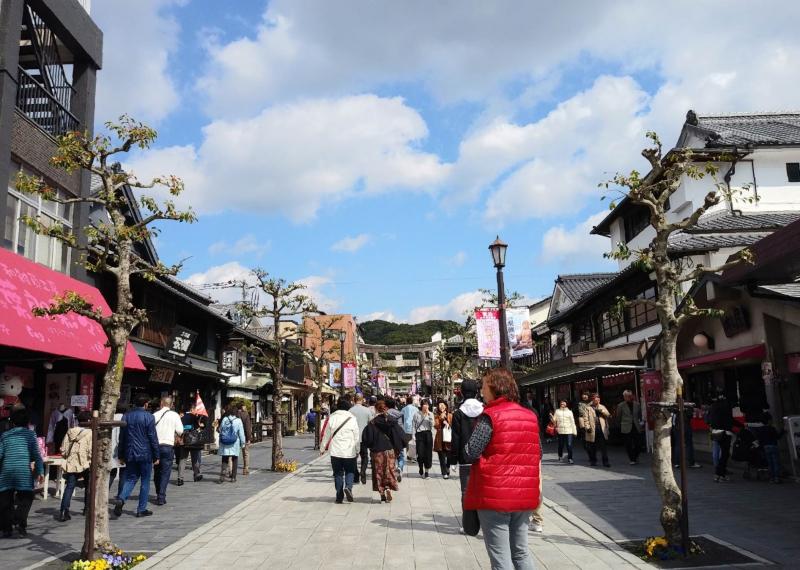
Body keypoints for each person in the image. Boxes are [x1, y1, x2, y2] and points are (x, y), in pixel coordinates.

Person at [464, 369, 541, 570]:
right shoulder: (529, 416)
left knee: (501, 558)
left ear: (495, 388)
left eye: (484, 386)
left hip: (495, 493)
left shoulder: (489, 416)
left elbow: (471, 451)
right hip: (524, 493)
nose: (481, 391)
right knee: (521, 551)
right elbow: (538, 452)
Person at [0, 408, 44, 537]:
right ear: (27, 422)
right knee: (26, 498)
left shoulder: (5, 435)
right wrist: (40, 471)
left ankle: (6, 529)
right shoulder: (30, 435)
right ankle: (20, 524)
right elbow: (37, 455)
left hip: (6, 472)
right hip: (23, 473)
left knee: (5, 501)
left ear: (12, 422)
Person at [114, 394, 160, 518]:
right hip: (145, 453)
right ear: (145, 404)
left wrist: (121, 454)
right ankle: (141, 508)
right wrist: (156, 455)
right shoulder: (149, 417)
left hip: (130, 452)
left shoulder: (126, 416)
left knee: (130, 478)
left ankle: (121, 498)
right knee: (145, 481)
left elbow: (122, 438)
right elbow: (152, 437)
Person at [448, 379, 483, 532]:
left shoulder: (458, 413)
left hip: (465, 457)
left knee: (466, 492)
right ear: (477, 392)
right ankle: (484, 521)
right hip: (483, 457)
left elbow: (455, 439)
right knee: (483, 490)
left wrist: (453, 460)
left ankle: (469, 524)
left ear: (461, 392)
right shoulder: (485, 410)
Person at [361, 400, 405, 502]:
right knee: (389, 470)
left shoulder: (372, 422)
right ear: (385, 408)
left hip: (377, 451)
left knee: (378, 472)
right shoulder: (391, 421)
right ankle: (388, 488)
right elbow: (399, 435)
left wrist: (370, 446)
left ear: (376, 409)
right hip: (390, 449)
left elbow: (367, 439)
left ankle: (382, 493)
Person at [320, 398, 361, 503]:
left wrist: (322, 448)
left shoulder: (332, 418)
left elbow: (326, 435)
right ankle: (348, 487)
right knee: (350, 471)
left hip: (335, 451)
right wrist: (357, 449)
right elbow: (356, 436)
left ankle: (339, 496)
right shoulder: (352, 418)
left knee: (337, 473)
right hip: (349, 450)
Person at [59, 410, 92, 522]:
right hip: (86, 464)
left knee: (69, 487)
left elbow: (63, 450)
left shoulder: (70, 431)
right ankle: (87, 509)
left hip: (72, 464)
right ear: (88, 420)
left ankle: (63, 511)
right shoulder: (90, 433)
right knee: (88, 486)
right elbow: (91, 451)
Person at [152, 396, 183, 506]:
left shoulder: (155, 415)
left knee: (156, 470)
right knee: (165, 471)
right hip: (168, 445)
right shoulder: (174, 415)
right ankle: (161, 496)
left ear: (161, 403)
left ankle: (158, 492)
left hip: (155, 446)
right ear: (171, 405)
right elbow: (180, 430)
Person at [708, 390, 738, 483]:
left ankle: (718, 473)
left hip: (715, 432)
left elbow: (710, 419)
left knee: (717, 451)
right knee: (725, 454)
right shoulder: (726, 406)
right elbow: (730, 419)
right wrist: (740, 425)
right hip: (725, 432)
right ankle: (720, 474)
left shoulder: (713, 406)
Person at [176, 403, 206, 484]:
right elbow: (197, 428)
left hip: (184, 440)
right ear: (192, 409)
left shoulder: (181, 418)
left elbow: (179, 429)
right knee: (195, 459)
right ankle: (196, 474)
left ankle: (180, 478)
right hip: (193, 441)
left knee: (182, 459)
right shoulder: (194, 417)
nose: (196, 411)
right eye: (195, 409)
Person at [751, 412, 784, 483]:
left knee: (770, 463)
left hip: (766, 447)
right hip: (773, 446)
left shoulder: (761, 429)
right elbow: (777, 437)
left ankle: (771, 478)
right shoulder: (772, 428)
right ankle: (776, 477)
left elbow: (760, 439)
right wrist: (782, 431)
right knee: (775, 462)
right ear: (769, 420)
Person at [580, 393, 611, 467]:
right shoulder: (588, 408)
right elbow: (585, 419)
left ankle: (605, 462)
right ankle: (593, 461)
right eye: (595, 399)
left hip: (601, 428)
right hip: (592, 428)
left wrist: (601, 411)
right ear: (592, 400)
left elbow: (608, 415)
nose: (597, 400)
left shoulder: (602, 406)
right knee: (592, 446)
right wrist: (587, 427)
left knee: (603, 446)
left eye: (598, 399)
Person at [349, 394, 374, 485]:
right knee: (364, 456)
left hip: (353, 437)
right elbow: (371, 424)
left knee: (353, 457)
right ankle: (363, 471)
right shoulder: (367, 411)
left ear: (354, 400)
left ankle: (356, 475)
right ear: (362, 400)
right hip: (364, 437)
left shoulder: (350, 411)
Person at [217, 405, 245, 483]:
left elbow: (220, 430)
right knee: (234, 459)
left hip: (225, 442)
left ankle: (222, 477)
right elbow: (241, 433)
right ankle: (233, 477)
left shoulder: (225, 419)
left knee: (225, 459)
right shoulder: (238, 420)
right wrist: (243, 443)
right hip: (234, 443)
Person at [615, 390, 643, 465]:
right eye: (627, 396)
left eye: (630, 396)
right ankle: (632, 459)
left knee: (639, 444)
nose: (629, 397)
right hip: (626, 427)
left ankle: (635, 455)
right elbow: (618, 417)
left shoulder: (637, 404)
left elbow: (640, 415)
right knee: (628, 444)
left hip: (636, 426)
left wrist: (641, 424)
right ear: (624, 397)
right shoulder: (620, 405)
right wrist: (619, 426)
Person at [413, 400, 434, 478]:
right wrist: (413, 435)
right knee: (420, 453)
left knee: (428, 454)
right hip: (419, 434)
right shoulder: (416, 414)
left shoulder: (431, 414)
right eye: (424, 405)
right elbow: (413, 425)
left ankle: (427, 471)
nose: (426, 406)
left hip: (428, 434)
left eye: (427, 405)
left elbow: (432, 425)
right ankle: (421, 466)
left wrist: (428, 414)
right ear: (421, 406)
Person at [551, 399, 577, 464]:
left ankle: (570, 458)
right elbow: (554, 421)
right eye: (561, 403)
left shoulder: (570, 412)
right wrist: (552, 417)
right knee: (561, 445)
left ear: (566, 404)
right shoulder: (557, 411)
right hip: (560, 431)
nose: (562, 404)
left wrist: (575, 431)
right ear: (560, 404)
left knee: (569, 445)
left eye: (564, 403)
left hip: (569, 431)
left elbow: (572, 422)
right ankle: (560, 456)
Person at [108, 407, 126, 499]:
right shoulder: (125, 418)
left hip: (110, 448)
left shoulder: (110, 418)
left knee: (111, 472)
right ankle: (120, 495)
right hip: (122, 449)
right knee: (123, 473)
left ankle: (105, 492)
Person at [386, 399, 405, 480]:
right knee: (401, 454)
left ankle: (392, 470)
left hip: (389, 436)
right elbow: (402, 425)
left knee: (391, 454)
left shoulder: (386, 414)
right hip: (399, 435)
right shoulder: (400, 413)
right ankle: (400, 468)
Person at [433, 401, 453, 479]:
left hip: (448, 438)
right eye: (439, 405)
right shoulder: (437, 416)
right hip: (440, 438)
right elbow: (436, 426)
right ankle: (444, 472)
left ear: (446, 406)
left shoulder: (450, 415)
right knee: (441, 457)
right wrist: (441, 418)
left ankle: (447, 467)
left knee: (449, 456)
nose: (441, 406)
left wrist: (448, 423)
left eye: (442, 405)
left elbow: (453, 425)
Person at [401, 395, 418, 464]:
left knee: (408, 442)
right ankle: (414, 456)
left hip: (406, 427)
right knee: (414, 442)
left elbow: (401, 417)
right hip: (414, 427)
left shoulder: (404, 409)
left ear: (407, 402)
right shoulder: (416, 409)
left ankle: (409, 456)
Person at [237, 403, 253, 476]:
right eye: (245, 406)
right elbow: (247, 427)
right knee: (245, 453)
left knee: (233, 454)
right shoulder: (246, 415)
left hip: (235, 437)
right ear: (243, 407)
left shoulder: (235, 414)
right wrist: (249, 438)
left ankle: (230, 470)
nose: (245, 408)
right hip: (244, 437)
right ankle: (245, 469)